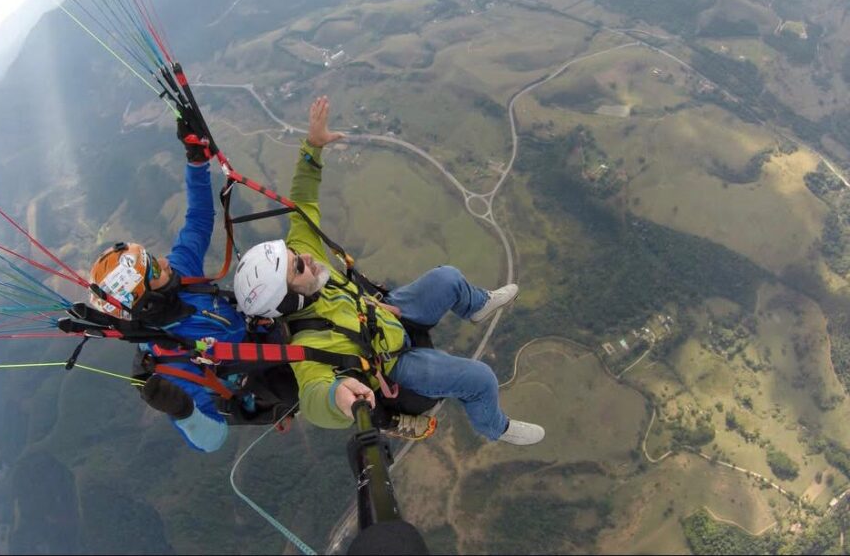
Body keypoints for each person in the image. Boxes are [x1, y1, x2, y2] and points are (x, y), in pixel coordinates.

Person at [232, 96, 545, 445]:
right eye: (298, 266)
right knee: (480, 380)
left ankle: (477, 306)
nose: (307, 258)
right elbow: (314, 395)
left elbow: (302, 203)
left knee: (448, 278)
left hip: (387, 311)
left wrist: (313, 148)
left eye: (294, 253)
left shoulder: (305, 259)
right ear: (288, 299)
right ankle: (495, 428)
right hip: (395, 363)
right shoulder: (307, 344)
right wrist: (337, 397)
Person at [88, 119, 249, 453]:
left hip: (263, 330)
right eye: (154, 268)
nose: (163, 261)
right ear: (148, 301)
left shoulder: (181, 271)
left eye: (151, 257)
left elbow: (199, 217)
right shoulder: (169, 364)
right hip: (260, 377)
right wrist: (183, 411)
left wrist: (197, 162)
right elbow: (213, 439)